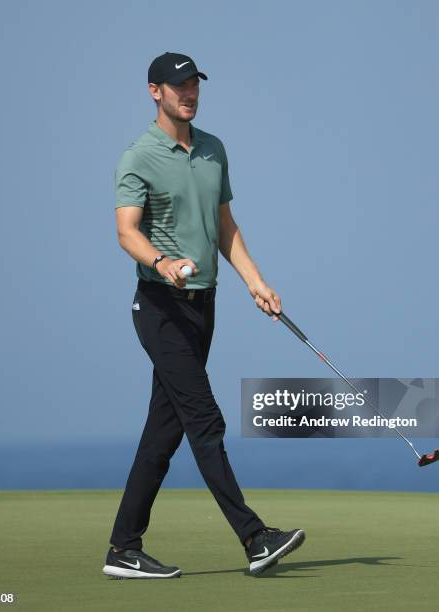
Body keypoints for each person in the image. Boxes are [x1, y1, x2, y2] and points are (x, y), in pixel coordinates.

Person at [103, 52, 305, 579]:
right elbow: (126, 231)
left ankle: (123, 548)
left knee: (163, 433)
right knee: (204, 420)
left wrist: (255, 282)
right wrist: (163, 262)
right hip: (160, 307)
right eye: (178, 86)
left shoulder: (214, 150)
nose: (188, 93)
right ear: (155, 92)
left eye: (194, 84)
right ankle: (255, 537)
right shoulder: (138, 157)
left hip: (203, 307)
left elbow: (225, 227)